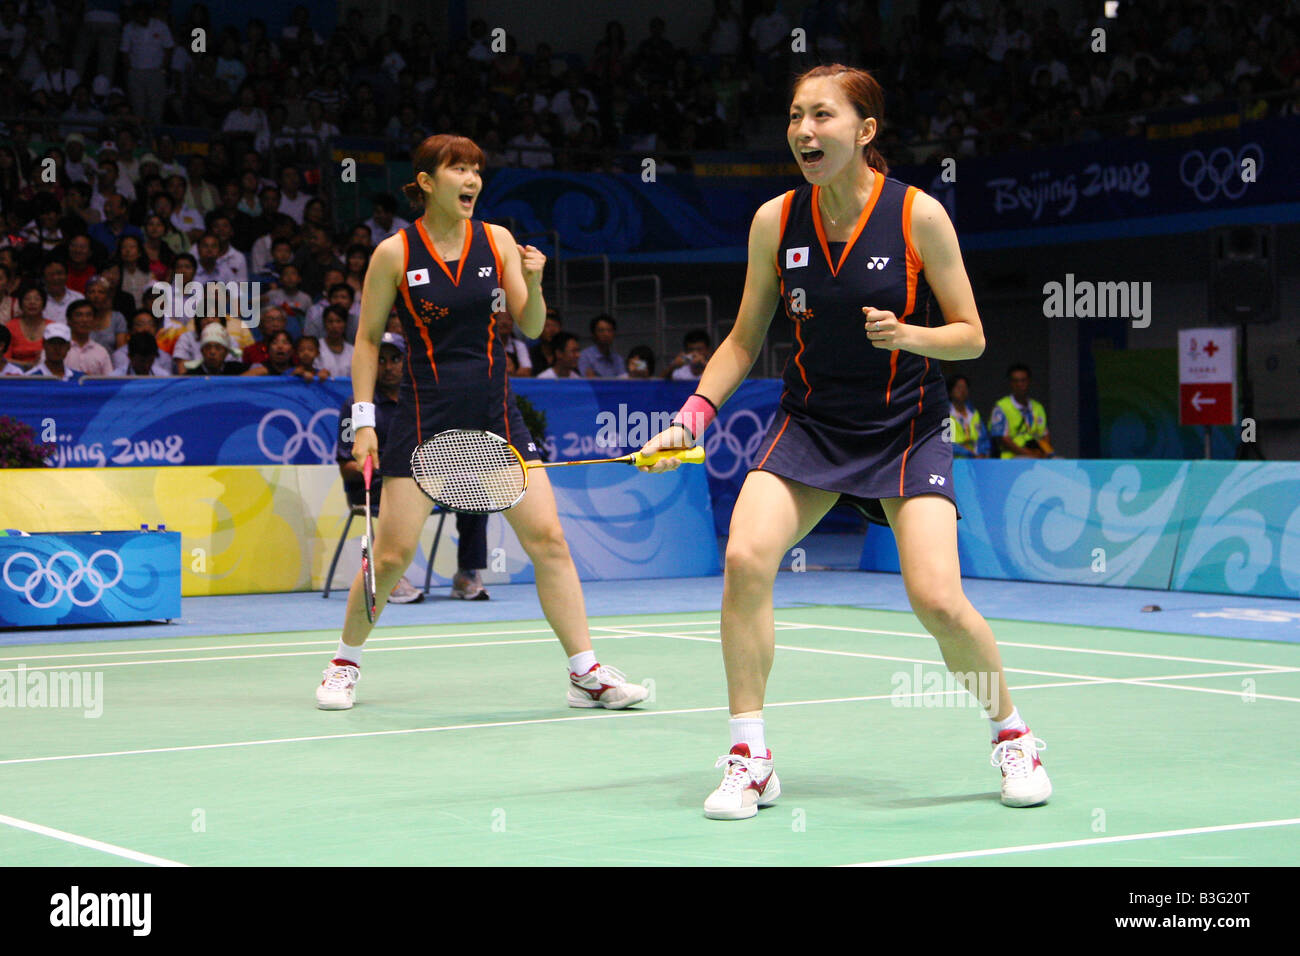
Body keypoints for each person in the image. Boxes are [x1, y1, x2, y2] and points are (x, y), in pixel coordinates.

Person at [637, 64, 1052, 819]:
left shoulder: (918, 216)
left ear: (865, 131)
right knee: (744, 557)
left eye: (822, 116)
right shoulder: (776, 221)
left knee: (938, 600)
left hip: (905, 426)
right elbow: (743, 337)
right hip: (812, 423)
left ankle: (1013, 734)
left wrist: (907, 334)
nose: (804, 131)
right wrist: (695, 413)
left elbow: (972, 337)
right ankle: (749, 756)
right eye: (796, 115)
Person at [317, 133, 647, 712]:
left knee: (549, 540)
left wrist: (536, 282)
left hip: (496, 416)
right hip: (423, 417)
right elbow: (367, 340)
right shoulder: (395, 252)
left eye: (476, 169)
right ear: (425, 181)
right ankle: (345, 662)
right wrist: (365, 420)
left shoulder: (496, 240)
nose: (472, 180)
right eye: (458, 170)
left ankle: (585, 672)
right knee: (392, 557)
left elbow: (529, 327)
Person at [334, 331, 491, 605]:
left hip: (423, 481)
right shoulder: (358, 406)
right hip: (376, 485)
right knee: (392, 489)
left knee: (472, 490)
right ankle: (389, 575)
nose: (389, 366)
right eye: (380, 360)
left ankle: (467, 573)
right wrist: (389, 470)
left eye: (396, 359)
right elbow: (347, 466)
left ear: (408, 362)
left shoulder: (424, 403)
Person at [989, 363, 1054, 458]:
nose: (1019, 384)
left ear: (1029, 381)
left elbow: (1044, 434)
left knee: (1060, 462)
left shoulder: (1038, 407)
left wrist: (1043, 453)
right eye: (1016, 381)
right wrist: (1029, 454)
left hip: (1037, 454)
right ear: (1010, 383)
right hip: (1013, 457)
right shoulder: (1001, 407)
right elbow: (1003, 439)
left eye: (1023, 380)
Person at [63, 299, 114, 375]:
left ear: (94, 321)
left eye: (88, 315)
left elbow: (109, 382)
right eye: (79, 315)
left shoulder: (101, 351)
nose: (84, 320)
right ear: (69, 320)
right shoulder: (59, 349)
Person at [947, 373, 989, 457]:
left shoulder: (974, 414)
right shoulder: (945, 414)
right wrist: (966, 452)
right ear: (950, 391)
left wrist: (983, 453)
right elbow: (944, 442)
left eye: (965, 387)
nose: (962, 391)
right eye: (958, 387)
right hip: (954, 462)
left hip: (976, 461)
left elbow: (984, 438)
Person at [578, 313, 623, 378]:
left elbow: (622, 382)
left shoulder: (618, 359)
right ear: (593, 334)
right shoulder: (585, 357)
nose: (606, 334)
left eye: (609, 330)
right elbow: (588, 381)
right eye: (601, 331)